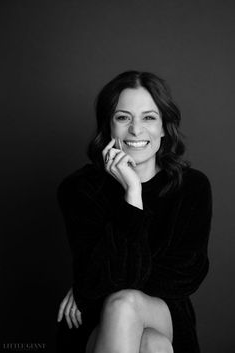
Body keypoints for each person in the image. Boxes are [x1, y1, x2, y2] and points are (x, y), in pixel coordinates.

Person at [55, 71, 213, 353]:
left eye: (149, 117)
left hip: (164, 313)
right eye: (123, 117)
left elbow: (186, 275)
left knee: (125, 302)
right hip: (96, 318)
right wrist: (133, 195)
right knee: (152, 345)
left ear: (164, 127)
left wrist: (93, 284)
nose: (136, 130)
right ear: (109, 126)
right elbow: (91, 269)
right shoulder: (79, 189)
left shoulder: (192, 187)